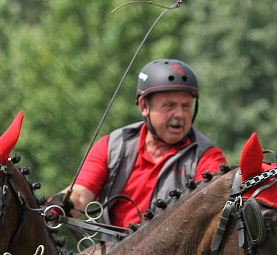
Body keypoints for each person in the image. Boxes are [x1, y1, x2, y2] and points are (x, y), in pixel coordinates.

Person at [58, 59, 228, 228]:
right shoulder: (112, 146)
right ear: (144, 105)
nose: (180, 114)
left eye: (186, 106)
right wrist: (56, 208)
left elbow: (211, 209)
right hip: (112, 252)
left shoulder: (207, 156)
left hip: (173, 253)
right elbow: (80, 196)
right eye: (169, 106)